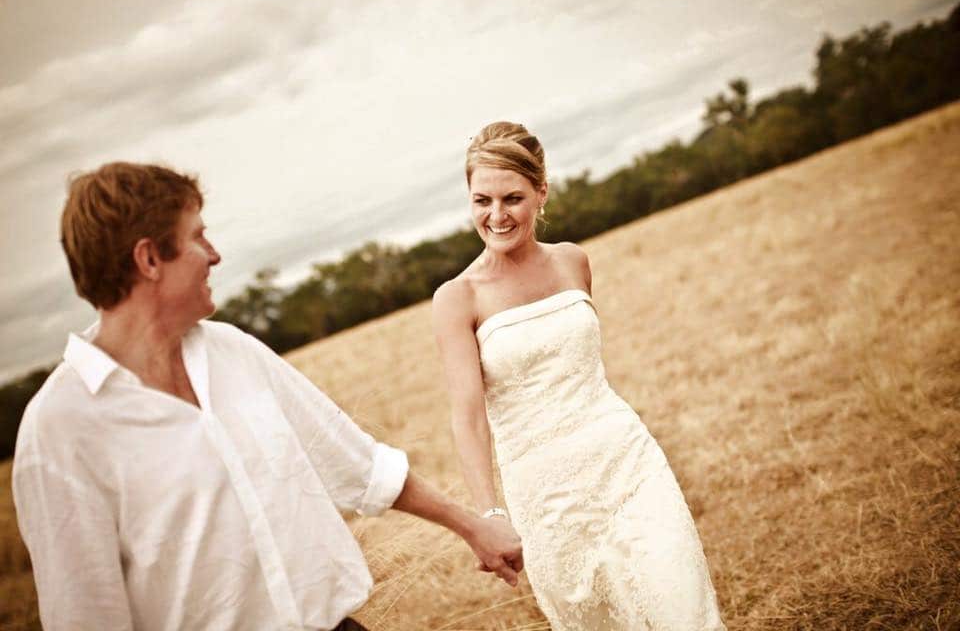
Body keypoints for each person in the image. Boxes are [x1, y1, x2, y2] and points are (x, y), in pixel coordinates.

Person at [12, 162, 523, 631]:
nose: (214, 255)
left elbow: (359, 464)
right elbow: (85, 617)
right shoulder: (60, 430)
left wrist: (473, 526)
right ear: (149, 258)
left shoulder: (231, 350)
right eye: (197, 237)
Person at [432, 122, 726, 630]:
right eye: (482, 200)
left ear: (542, 192)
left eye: (512, 198)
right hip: (546, 497)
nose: (496, 215)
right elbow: (468, 417)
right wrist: (490, 515)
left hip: (627, 463)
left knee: (682, 608)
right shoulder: (458, 298)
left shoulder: (573, 261)